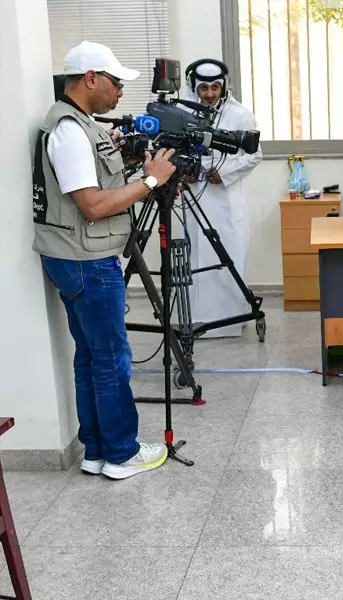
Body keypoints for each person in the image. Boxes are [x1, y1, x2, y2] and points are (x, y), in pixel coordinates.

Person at [33, 41, 177, 478]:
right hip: (88, 261)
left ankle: (95, 450)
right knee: (112, 358)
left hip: (73, 256)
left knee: (91, 357)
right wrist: (152, 180)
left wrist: (125, 159)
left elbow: (92, 182)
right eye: (115, 83)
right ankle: (121, 453)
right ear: (91, 78)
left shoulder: (78, 124)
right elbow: (93, 206)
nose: (120, 92)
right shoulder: (71, 132)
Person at [183, 59, 263, 338]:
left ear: (224, 87)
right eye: (203, 88)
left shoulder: (240, 115)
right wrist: (184, 171)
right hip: (195, 198)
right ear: (194, 88)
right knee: (197, 258)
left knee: (228, 256)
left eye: (215, 87)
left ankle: (231, 321)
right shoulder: (184, 113)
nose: (209, 94)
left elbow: (255, 155)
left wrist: (225, 172)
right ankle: (200, 321)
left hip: (226, 201)